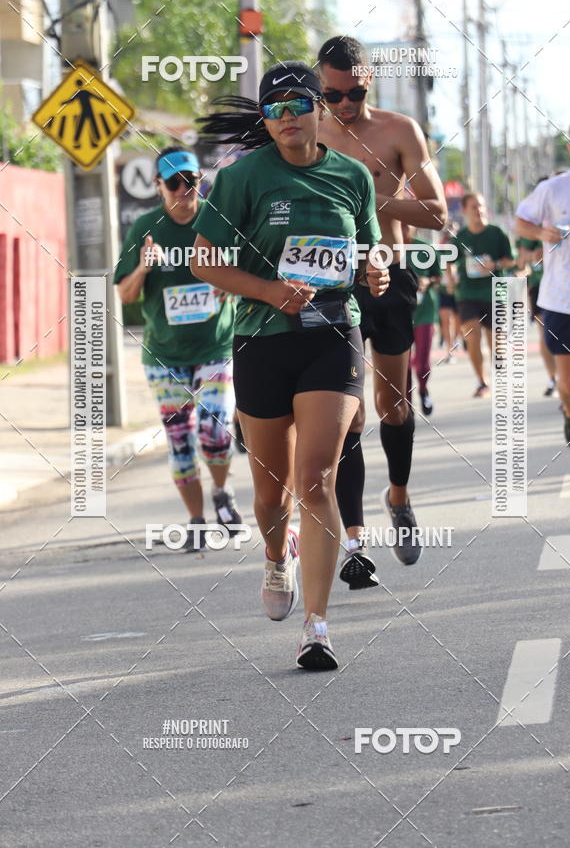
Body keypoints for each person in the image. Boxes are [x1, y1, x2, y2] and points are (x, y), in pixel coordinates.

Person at [190, 61, 389, 670]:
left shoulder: (351, 175)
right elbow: (204, 262)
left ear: (318, 109)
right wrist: (268, 290)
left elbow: (367, 253)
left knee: (316, 480)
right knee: (272, 494)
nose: (288, 118)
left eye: (299, 104)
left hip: (333, 334)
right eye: (274, 109)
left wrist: (374, 272)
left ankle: (317, 626)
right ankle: (277, 557)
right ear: (265, 120)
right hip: (263, 339)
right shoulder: (242, 179)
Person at [317, 36, 447, 578]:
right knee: (346, 414)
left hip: (390, 276)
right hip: (330, 284)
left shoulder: (398, 131)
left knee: (393, 404)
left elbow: (436, 212)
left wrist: (367, 195)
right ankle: (354, 543)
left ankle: (398, 495)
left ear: (369, 79)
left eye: (356, 92)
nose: (345, 105)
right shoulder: (306, 130)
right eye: (334, 94)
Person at [114, 147, 241, 552]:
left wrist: (230, 280)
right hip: (164, 357)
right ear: (158, 187)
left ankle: (222, 493)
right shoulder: (146, 229)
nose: (185, 189)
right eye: (174, 182)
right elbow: (125, 292)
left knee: (215, 432)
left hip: (215, 347)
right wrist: (144, 266)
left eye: (192, 181)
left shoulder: (217, 220)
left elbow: (250, 269)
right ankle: (197, 521)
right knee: (181, 445)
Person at [515, 115, 570, 478]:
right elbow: (520, 221)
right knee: (568, 384)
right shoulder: (555, 189)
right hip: (560, 300)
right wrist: (541, 232)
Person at [450, 193, 516, 397]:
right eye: (473, 207)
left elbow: (511, 260)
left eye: (481, 206)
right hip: (467, 294)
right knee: (473, 337)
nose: (478, 211)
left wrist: (494, 265)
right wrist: (452, 280)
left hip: (494, 293)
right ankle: (482, 381)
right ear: (464, 211)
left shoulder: (497, 233)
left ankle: (499, 358)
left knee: (496, 342)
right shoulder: (460, 238)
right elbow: (449, 261)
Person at [405, 226, 442, 416]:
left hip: (424, 311)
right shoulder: (387, 249)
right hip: (400, 313)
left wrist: (428, 282)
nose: (404, 227)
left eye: (407, 223)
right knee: (402, 363)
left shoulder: (425, 248)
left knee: (422, 363)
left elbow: (438, 276)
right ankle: (407, 403)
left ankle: (423, 389)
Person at [515, 233, 557, 397]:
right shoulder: (526, 231)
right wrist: (528, 258)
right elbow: (521, 265)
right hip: (538, 287)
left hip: (562, 285)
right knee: (545, 332)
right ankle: (553, 378)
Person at [438, 223, 461, 363]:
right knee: (446, 321)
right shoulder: (439, 250)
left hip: (458, 290)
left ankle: (456, 339)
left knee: (458, 322)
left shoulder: (460, 248)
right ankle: (449, 350)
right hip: (444, 290)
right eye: (448, 231)